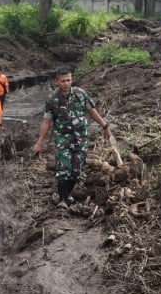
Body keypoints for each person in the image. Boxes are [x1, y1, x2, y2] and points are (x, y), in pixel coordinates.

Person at [33, 68, 111, 208]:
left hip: (80, 138)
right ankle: (63, 199)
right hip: (62, 138)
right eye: (63, 81)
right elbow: (46, 121)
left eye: (68, 80)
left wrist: (105, 126)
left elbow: (92, 111)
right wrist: (40, 142)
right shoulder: (53, 99)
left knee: (76, 171)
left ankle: (68, 195)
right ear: (57, 82)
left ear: (71, 80)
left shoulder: (80, 94)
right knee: (63, 169)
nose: (66, 84)